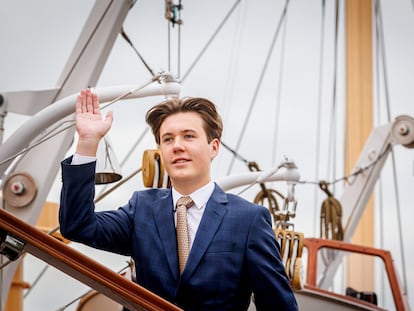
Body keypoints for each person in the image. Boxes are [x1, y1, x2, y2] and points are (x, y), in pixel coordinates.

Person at [59, 88, 298, 310]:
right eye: (168, 139)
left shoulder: (249, 220)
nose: (177, 146)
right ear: (160, 149)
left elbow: (278, 306)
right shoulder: (141, 209)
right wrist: (88, 142)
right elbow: (78, 225)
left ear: (213, 147)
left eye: (189, 136)